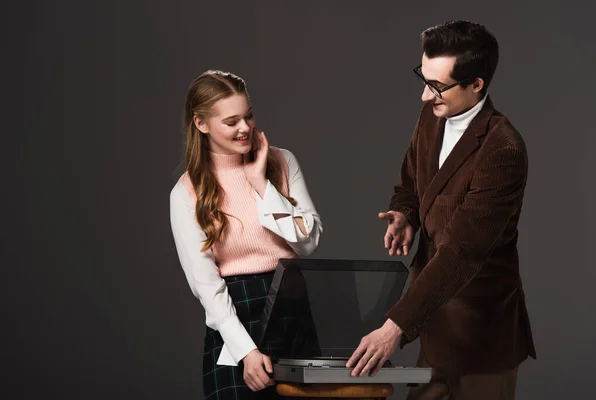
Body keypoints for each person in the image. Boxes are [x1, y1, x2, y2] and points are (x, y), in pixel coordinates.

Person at [346, 20, 536, 400]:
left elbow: (462, 251)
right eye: (423, 78)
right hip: (433, 323)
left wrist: (394, 327)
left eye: (437, 86)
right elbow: (410, 183)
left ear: (476, 84)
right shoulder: (431, 117)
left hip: (481, 336)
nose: (423, 96)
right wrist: (406, 214)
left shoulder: (503, 149)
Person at [169, 70, 323, 399]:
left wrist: (261, 184)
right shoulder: (186, 192)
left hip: (294, 307)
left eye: (249, 116)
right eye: (232, 121)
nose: (245, 129)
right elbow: (206, 285)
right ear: (201, 124)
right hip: (237, 317)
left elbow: (308, 242)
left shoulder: (281, 161)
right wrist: (245, 352)